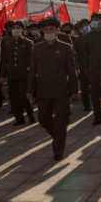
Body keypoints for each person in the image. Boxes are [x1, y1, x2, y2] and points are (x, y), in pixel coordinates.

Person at [27, 18, 78, 160]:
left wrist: (74, 90)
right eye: (46, 30)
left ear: (57, 31)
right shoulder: (37, 47)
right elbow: (32, 70)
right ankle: (58, 136)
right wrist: (29, 89)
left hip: (61, 90)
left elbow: (72, 71)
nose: (48, 32)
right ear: (42, 31)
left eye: (52, 29)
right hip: (43, 89)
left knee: (61, 120)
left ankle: (58, 150)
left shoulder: (66, 47)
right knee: (43, 119)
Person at [0, 20, 36, 125]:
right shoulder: (7, 44)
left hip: (24, 74)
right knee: (14, 98)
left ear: (22, 30)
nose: (15, 30)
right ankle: (19, 118)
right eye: (14, 28)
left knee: (23, 97)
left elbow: (32, 60)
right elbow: (4, 61)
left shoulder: (28, 42)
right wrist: (3, 75)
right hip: (12, 75)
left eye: (18, 28)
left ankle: (30, 116)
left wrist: (33, 74)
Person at [80, 13, 101, 124]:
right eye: (93, 20)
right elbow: (84, 54)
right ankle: (98, 116)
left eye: (97, 19)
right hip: (94, 70)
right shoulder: (88, 36)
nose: (94, 21)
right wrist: (85, 68)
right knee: (95, 95)